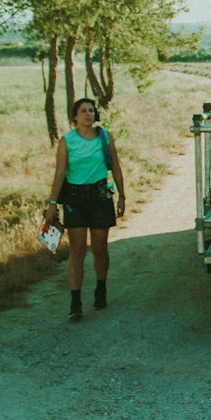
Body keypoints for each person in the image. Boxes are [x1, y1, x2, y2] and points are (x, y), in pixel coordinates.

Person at [43, 98, 125, 321]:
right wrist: (52, 204)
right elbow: (59, 173)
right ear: (75, 117)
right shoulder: (67, 141)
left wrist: (122, 196)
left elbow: (115, 167)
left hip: (100, 195)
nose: (88, 114)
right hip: (75, 198)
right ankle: (75, 301)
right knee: (77, 250)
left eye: (91, 110)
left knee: (99, 248)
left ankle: (100, 288)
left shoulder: (105, 137)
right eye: (83, 111)